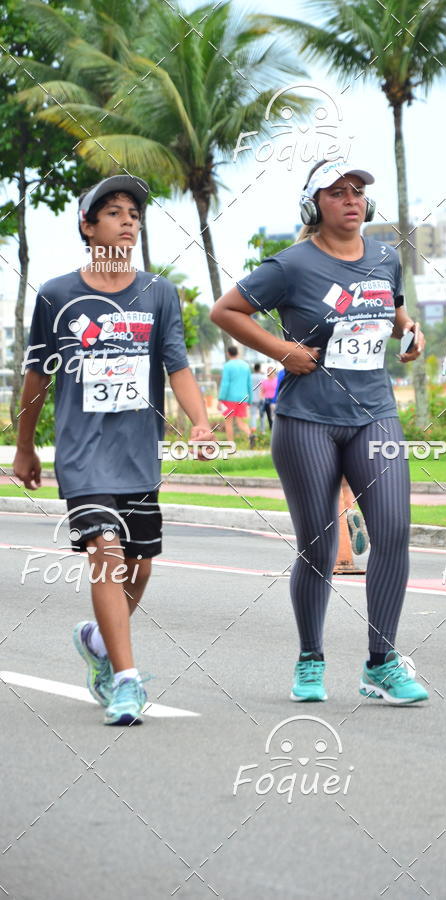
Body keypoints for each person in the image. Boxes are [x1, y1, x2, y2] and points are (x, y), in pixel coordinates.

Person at [211, 158, 429, 705]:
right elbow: (226, 310)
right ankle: (310, 657)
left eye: (357, 191)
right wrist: (282, 350)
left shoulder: (385, 258)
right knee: (318, 544)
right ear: (314, 204)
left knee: (394, 531)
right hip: (306, 420)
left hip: (375, 413)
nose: (351, 200)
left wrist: (409, 331)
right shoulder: (291, 265)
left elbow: (393, 311)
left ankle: (382, 663)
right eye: (337, 192)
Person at [13, 174, 213, 726]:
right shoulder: (57, 295)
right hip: (82, 456)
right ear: (87, 225)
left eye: (134, 213)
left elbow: (177, 366)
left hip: (138, 455)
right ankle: (126, 681)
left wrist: (200, 422)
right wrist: (25, 447)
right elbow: (36, 379)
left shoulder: (159, 293)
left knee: (139, 565)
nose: (128, 221)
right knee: (106, 552)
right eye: (114, 212)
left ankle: (100, 641)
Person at [218, 346, 252, 442]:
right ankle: (250, 435)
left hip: (229, 398)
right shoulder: (246, 366)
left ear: (228, 353)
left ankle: (231, 444)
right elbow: (249, 384)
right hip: (243, 398)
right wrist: (250, 400)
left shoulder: (227, 366)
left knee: (228, 423)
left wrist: (220, 398)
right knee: (240, 423)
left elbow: (225, 384)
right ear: (238, 353)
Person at [260, 366, 278, 430]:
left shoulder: (277, 381)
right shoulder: (264, 381)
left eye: (272, 371)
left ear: (274, 372)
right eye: (269, 371)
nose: (270, 373)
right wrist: (261, 400)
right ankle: (271, 428)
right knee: (269, 416)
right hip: (267, 400)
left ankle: (276, 428)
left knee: (275, 416)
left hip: (275, 400)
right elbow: (262, 392)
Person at [249, 362, 263, 441]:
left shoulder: (250, 377)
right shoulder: (263, 377)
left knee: (253, 415)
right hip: (261, 398)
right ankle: (262, 430)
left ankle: (253, 429)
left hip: (252, 398)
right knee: (262, 415)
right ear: (259, 369)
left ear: (254, 369)